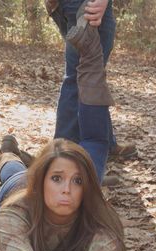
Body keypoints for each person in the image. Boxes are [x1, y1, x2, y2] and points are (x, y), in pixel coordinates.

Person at [44, 0, 137, 183]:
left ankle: (106, 143)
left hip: (67, 4)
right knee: (83, 76)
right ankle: (64, 164)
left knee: (89, 74)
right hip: (84, 4)